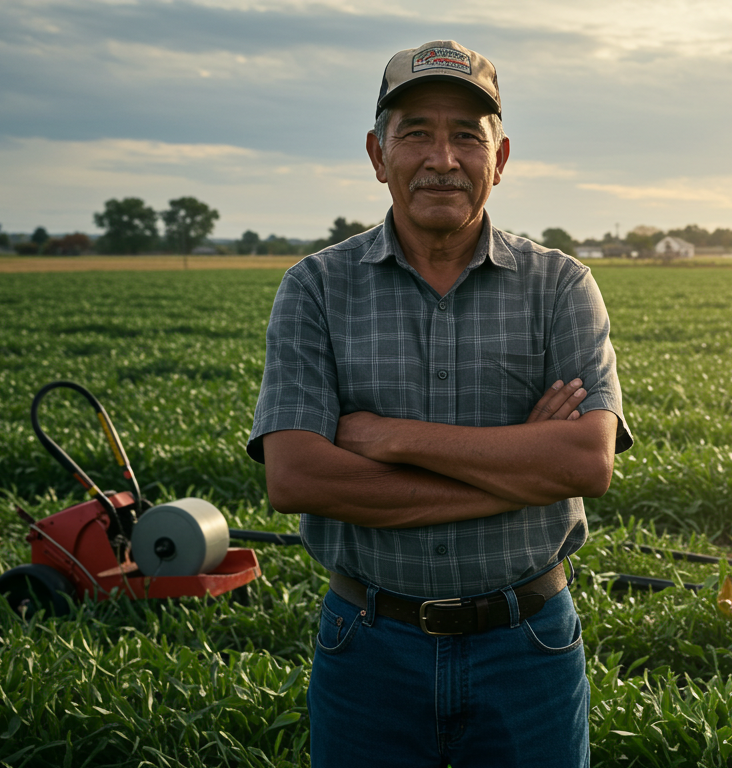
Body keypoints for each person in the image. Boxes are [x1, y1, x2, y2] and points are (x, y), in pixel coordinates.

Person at [246, 39, 631, 768]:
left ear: (501, 156)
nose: (442, 157)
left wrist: (389, 437)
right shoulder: (316, 289)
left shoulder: (561, 286)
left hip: (529, 645)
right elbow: (296, 480)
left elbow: (585, 462)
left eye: (466, 136)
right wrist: (518, 466)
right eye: (416, 131)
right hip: (368, 645)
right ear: (377, 153)